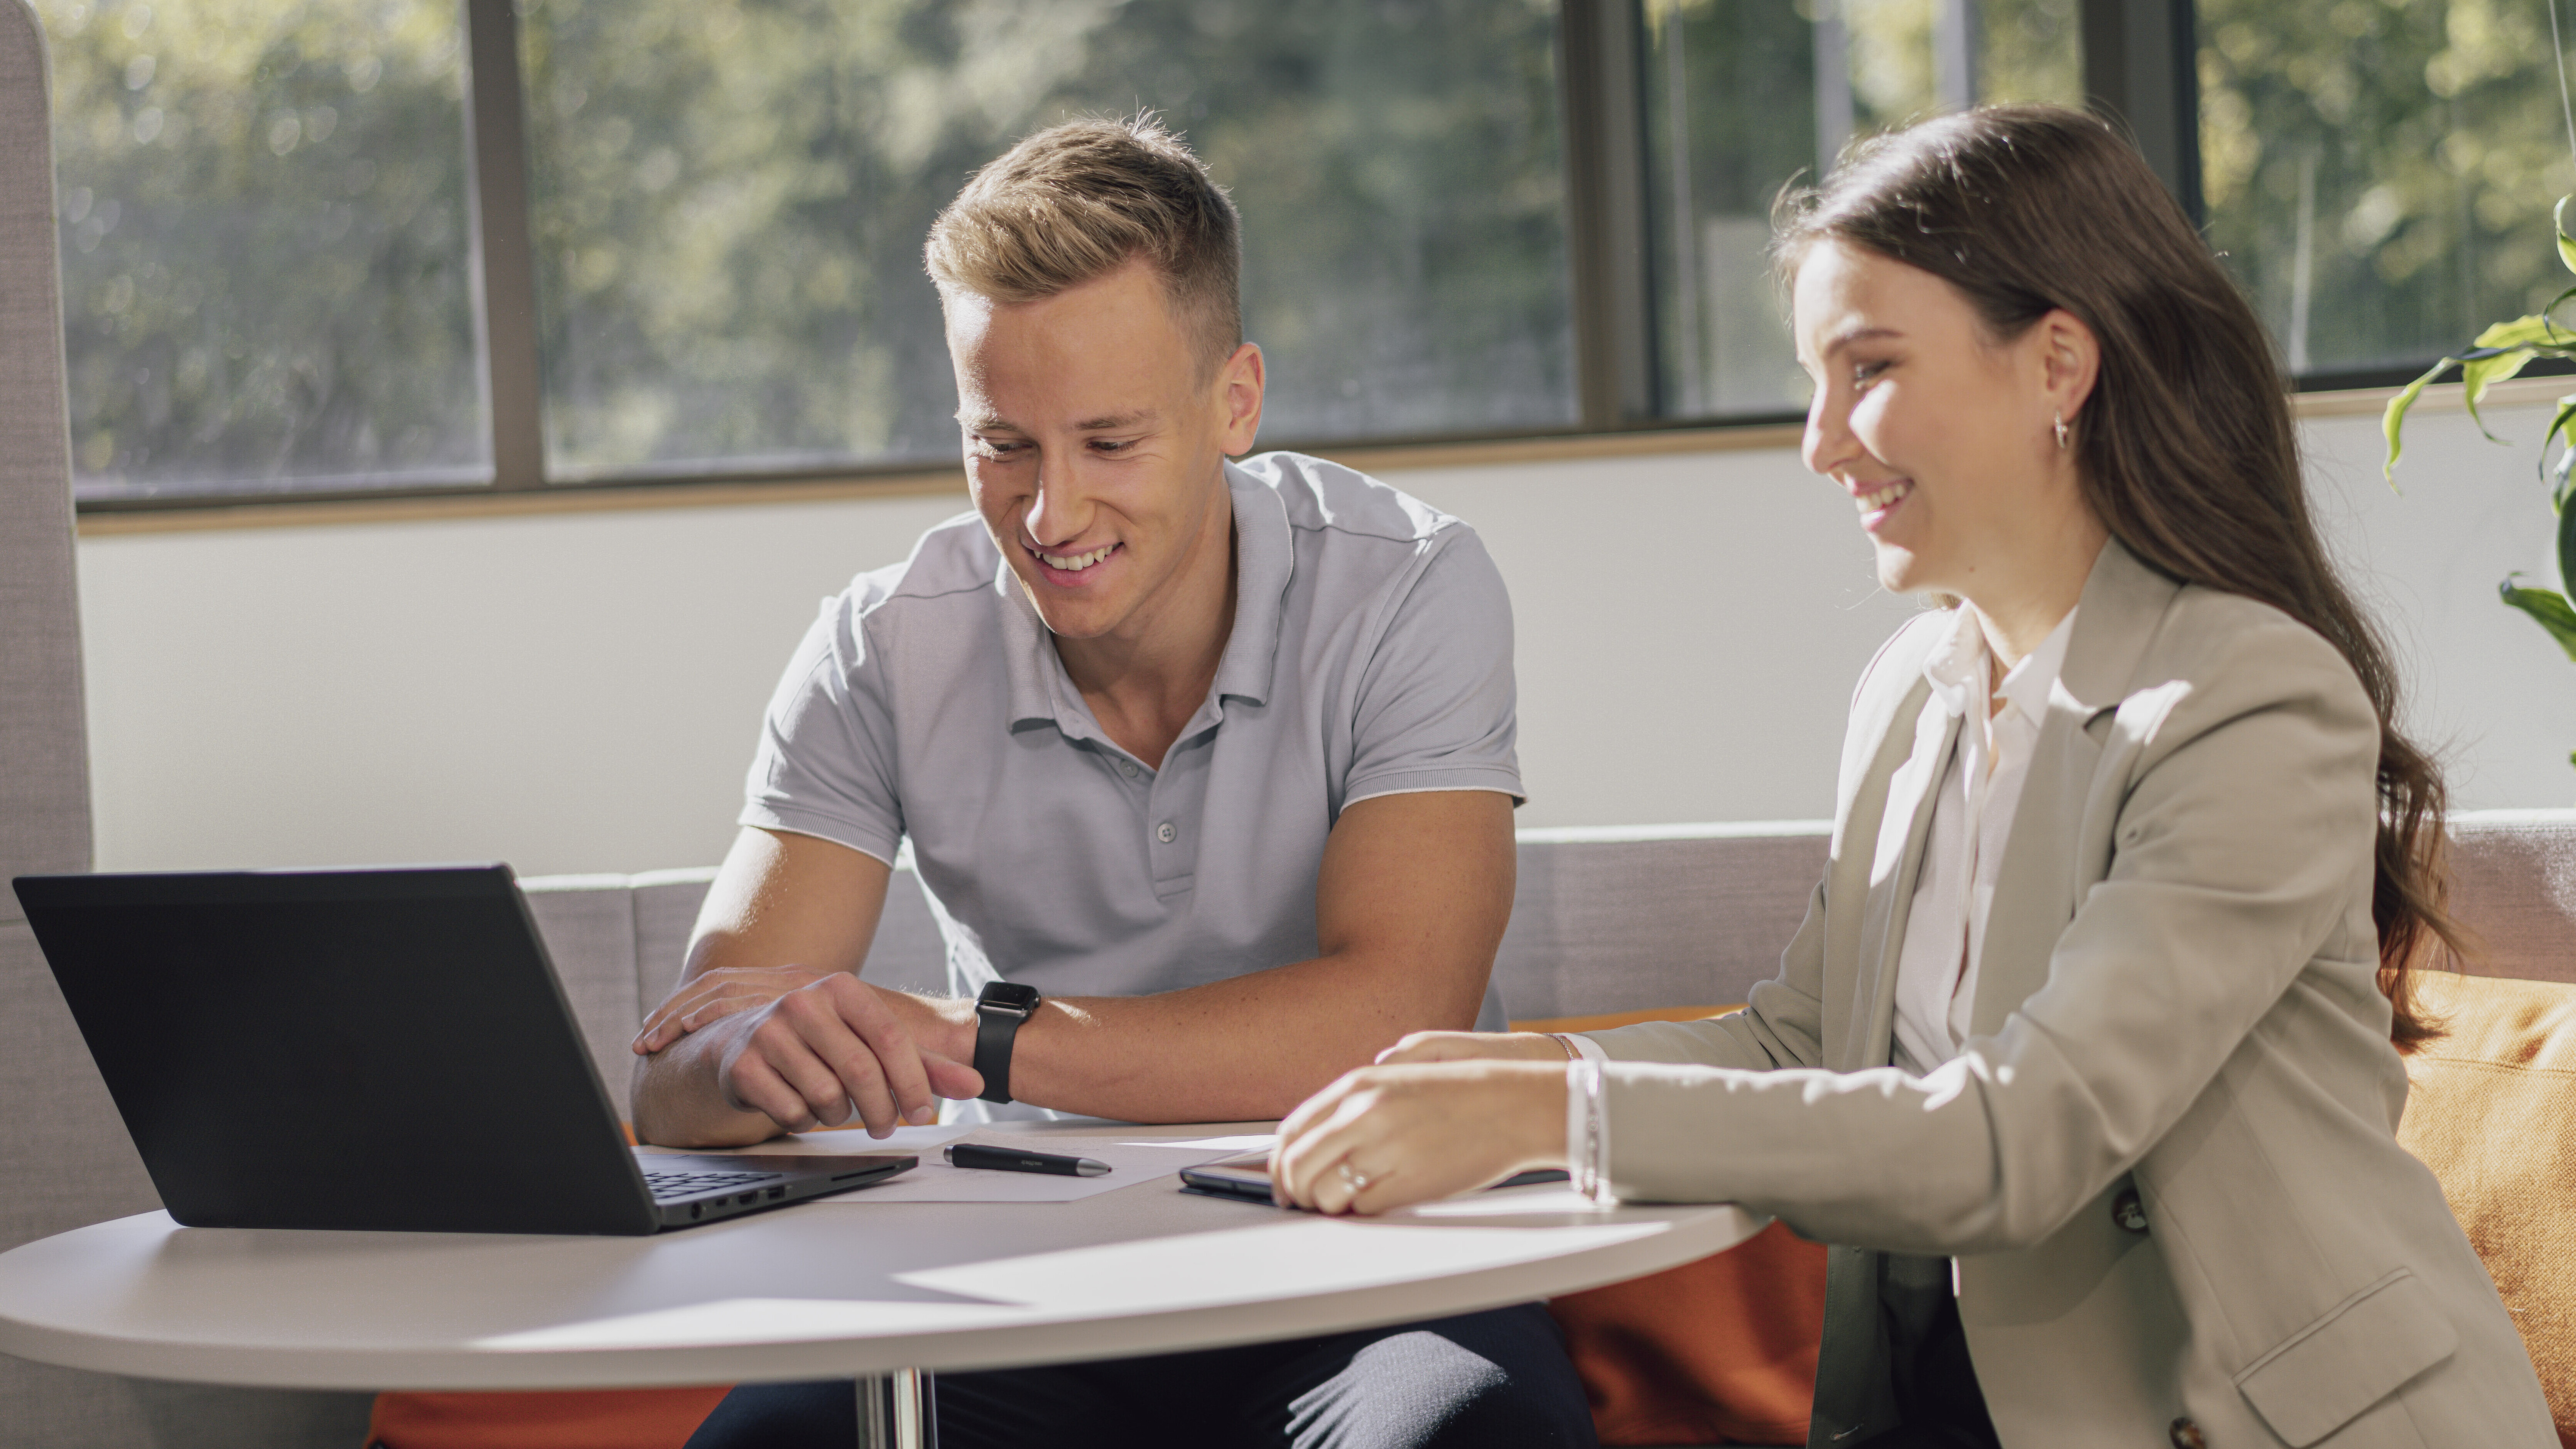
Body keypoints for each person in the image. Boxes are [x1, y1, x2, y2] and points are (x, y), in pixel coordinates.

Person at [1271, 104, 2557, 1449]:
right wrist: (1488, 1071)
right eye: (1814, 384)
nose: (1821, 442)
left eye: (1869, 368)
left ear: (2059, 361)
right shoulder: (1912, 691)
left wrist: (1556, 1109)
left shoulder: (2249, 701)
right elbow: (1802, 1043)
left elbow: (2024, 1139)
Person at [631, 115, 1596, 1449]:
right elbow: (679, 1074)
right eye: (1002, 445)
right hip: (1021, 1274)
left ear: (1235, 401)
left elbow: (1395, 1011)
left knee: (1470, 1436)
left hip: (1365, 1258)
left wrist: (973, 1033)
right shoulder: (882, 641)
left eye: (1110, 441)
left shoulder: (1410, 585)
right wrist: (752, 1050)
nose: (1050, 514)